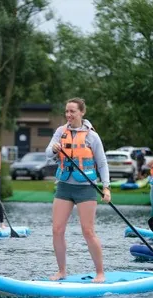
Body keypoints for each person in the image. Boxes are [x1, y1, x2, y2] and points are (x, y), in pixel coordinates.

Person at [46, 97, 111, 282]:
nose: (68, 115)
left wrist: (106, 188)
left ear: (82, 112)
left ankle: (100, 273)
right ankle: (62, 271)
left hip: (85, 189)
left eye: (72, 111)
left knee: (88, 231)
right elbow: (47, 154)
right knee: (57, 229)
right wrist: (53, 149)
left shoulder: (92, 136)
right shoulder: (60, 132)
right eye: (66, 111)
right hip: (64, 186)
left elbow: (102, 163)